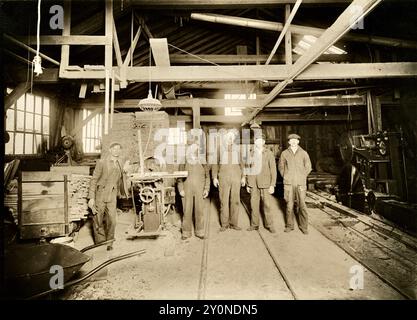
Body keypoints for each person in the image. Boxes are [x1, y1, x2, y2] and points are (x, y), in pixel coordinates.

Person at [88, 142, 128, 250]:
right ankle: (100, 243)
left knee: (112, 220)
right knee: (98, 219)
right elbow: (94, 179)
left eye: (119, 149)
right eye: (114, 149)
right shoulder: (102, 162)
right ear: (110, 150)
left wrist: (125, 172)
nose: (116, 151)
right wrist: (91, 197)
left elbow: (121, 178)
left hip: (112, 194)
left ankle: (109, 243)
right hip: (100, 194)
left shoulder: (120, 162)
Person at [212, 130, 245, 232]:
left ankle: (234, 223)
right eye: (228, 137)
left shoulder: (238, 149)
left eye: (232, 137)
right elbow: (215, 163)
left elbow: (242, 164)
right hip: (223, 177)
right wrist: (214, 177)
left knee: (235, 200)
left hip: (236, 177)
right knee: (223, 201)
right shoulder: (219, 148)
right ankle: (224, 224)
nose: (230, 139)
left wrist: (244, 176)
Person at [278, 134, 312, 234]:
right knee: (289, 206)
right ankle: (289, 225)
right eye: (291, 140)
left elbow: (308, 167)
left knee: (302, 205)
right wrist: (286, 176)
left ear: (298, 142)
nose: (293, 142)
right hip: (288, 184)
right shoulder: (284, 153)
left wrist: (302, 176)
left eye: (295, 140)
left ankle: (304, 227)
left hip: (300, 184)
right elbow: (281, 167)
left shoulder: (304, 153)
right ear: (289, 142)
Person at [246, 134, 277, 233]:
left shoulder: (269, 153)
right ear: (254, 142)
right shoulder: (251, 153)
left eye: (261, 141)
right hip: (254, 184)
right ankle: (254, 225)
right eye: (257, 141)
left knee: (267, 205)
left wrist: (272, 184)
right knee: (253, 205)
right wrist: (248, 184)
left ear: (264, 142)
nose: (258, 142)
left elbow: (273, 170)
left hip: (265, 183)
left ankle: (269, 225)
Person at [177, 150, 210, 240]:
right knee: (186, 211)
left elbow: (207, 176)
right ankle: (186, 233)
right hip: (187, 190)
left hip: (199, 190)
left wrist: (206, 189)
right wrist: (181, 189)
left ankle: (200, 232)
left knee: (200, 211)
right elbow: (179, 177)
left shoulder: (202, 161)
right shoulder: (183, 161)